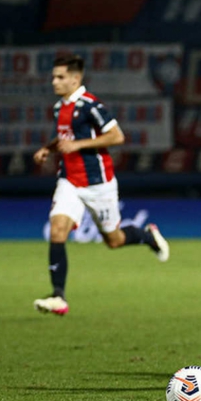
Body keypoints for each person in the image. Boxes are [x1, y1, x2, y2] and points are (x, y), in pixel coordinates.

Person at [31, 54, 169, 316]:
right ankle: (58, 297)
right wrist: (47, 149)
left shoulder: (90, 105)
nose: (54, 82)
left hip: (98, 184)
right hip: (69, 180)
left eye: (60, 77)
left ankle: (147, 236)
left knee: (114, 241)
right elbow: (64, 138)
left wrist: (79, 145)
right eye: (53, 77)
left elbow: (117, 136)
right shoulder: (60, 107)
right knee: (58, 229)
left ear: (75, 79)